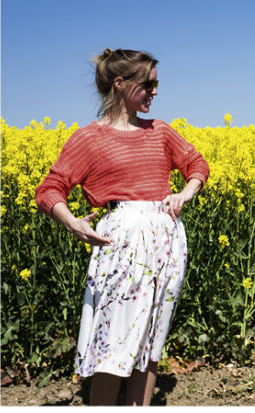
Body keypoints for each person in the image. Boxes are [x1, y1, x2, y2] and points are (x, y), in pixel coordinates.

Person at [35, 49, 209, 406]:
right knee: (114, 341)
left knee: (151, 338)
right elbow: (50, 189)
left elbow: (196, 163)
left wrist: (185, 193)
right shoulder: (89, 139)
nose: (155, 92)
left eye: (156, 84)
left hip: (167, 241)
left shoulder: (159, 131)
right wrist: (73, 224)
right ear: (120, 84)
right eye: (148, 84)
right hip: (122, 242)